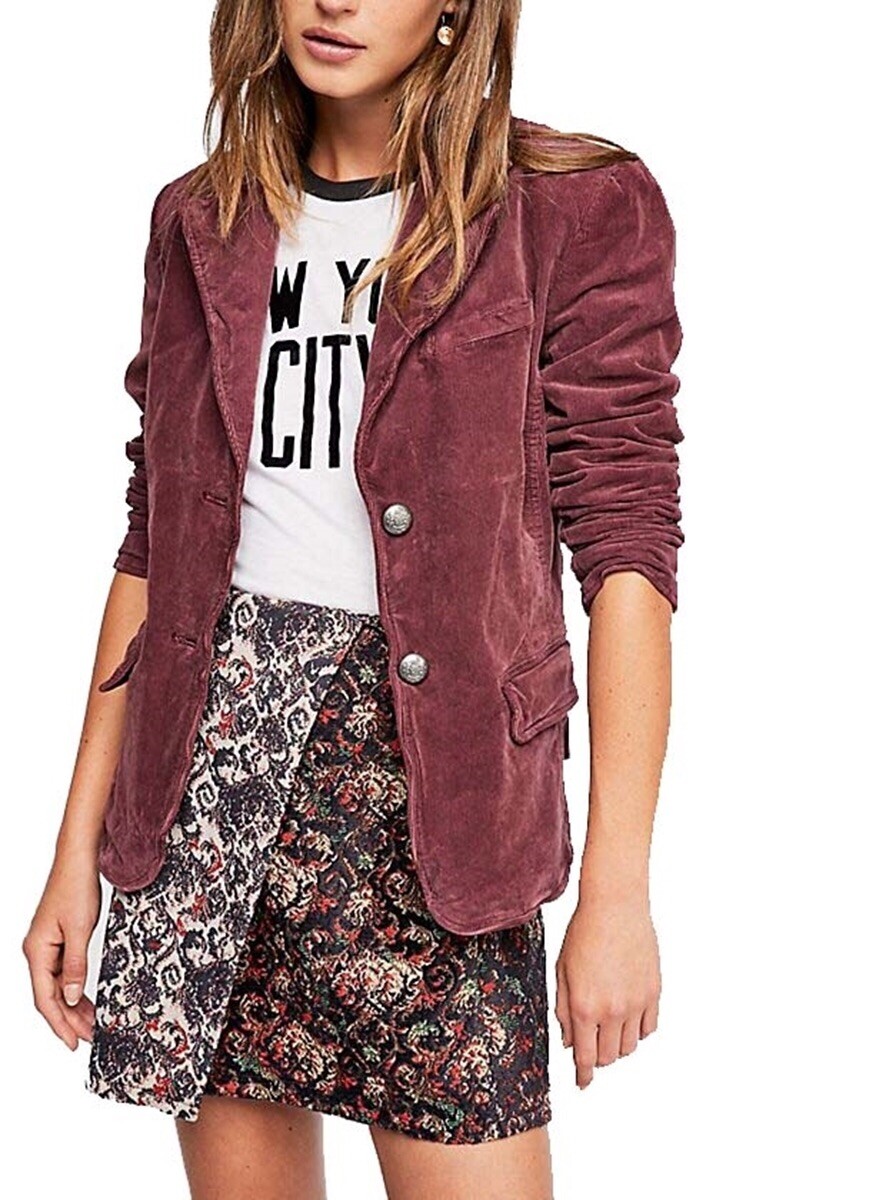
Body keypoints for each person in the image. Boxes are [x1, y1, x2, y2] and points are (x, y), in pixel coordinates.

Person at [22, 1, 685, 1197]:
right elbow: (152, 541)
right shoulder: (200, 220)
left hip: (443, 815)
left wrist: (618, 891)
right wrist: (76, 853)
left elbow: (627, 545)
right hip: (210, 792)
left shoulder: (571, 206)